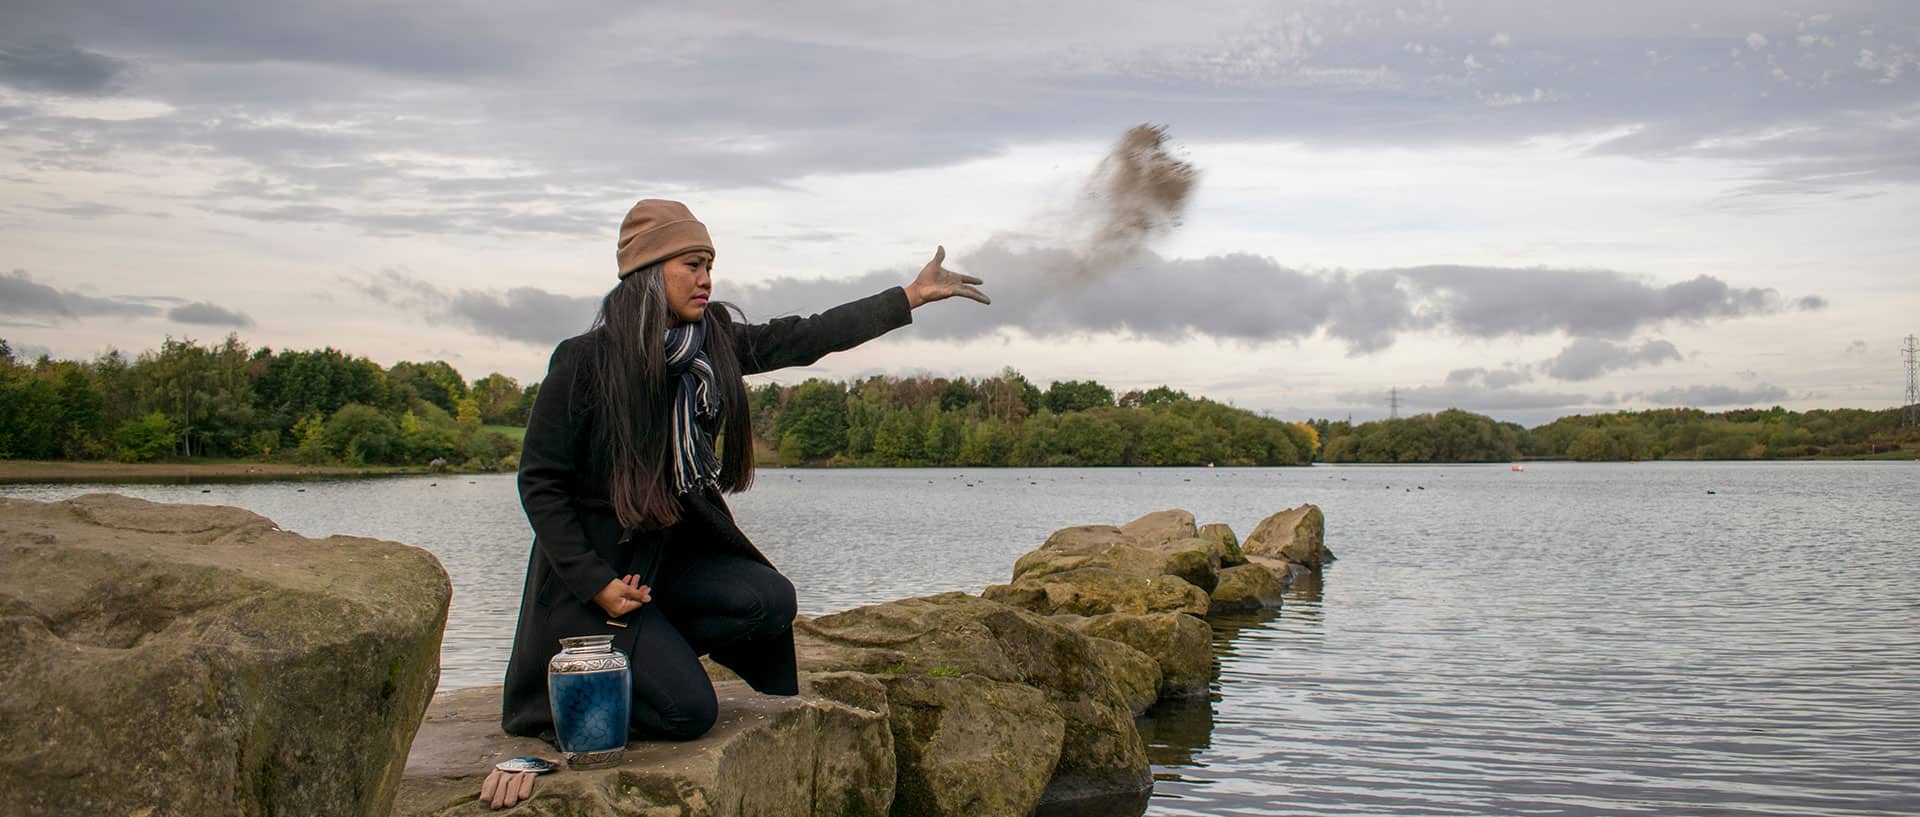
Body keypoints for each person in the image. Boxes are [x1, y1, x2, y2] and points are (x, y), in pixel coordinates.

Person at [480, 198, 988, 808]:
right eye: (692, 264)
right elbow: (540, 483)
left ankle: (649, 648)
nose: (706, 278)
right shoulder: (583, 361)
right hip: (598, 584)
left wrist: (908, 296)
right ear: (648, 272)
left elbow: (803, 337)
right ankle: (600, 679)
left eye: (710, 265)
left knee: (769, 599)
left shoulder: (708, 344)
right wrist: (595, 582)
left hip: (665, 568)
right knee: (690, 713)